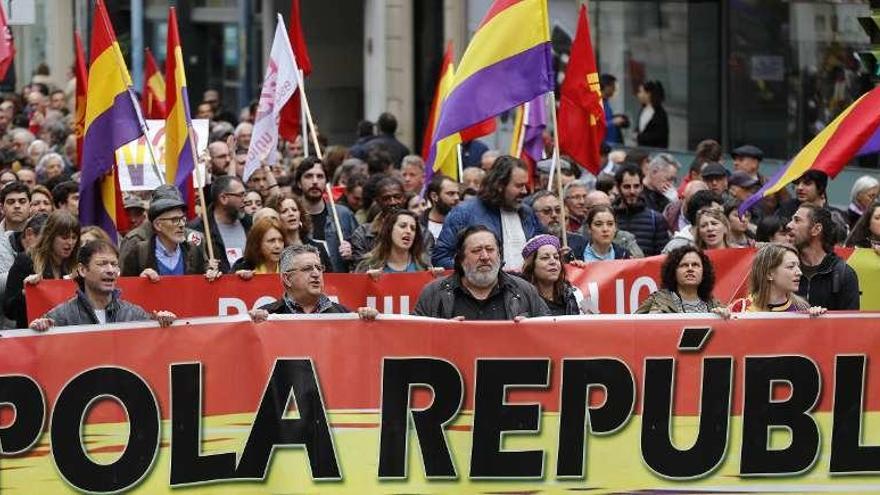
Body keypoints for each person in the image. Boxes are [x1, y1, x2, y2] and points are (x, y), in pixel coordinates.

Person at [29, 240, 177, 330]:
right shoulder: (60, 317)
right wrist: (40, 329)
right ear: (82, 270)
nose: (111, 270)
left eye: (114, 264)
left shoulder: (134, 314)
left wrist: (162, 323)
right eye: (102, 264)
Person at [415, 226, 550, 320]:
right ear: (461, 259)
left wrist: (529, 331)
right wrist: (442, 333)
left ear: (499, 255)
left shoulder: (525, 291)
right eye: (476, 250)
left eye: (490, 249)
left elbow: (550, 333)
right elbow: (414, 339)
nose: (485, 256)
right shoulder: (433, 294)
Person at [433, 156, 541, 270]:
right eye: (519, 186)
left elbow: (540, 248)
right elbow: (441, 258)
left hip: (525, 286)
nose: (524, 191)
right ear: (500, 185)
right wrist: (477, 269)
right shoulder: (464, 213)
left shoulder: (527, 213)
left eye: (525, 185)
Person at [248, 244, 378, 320]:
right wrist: (253, 324)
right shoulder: (266, 316)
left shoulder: (344, 315)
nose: (316, 274)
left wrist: (369, 320)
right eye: (307, 269)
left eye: (319, 268)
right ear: (287, 279)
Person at [4, 210, 80, 328]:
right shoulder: (26, 261)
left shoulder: (77, 266)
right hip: (33, 337)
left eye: (74, 237)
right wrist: (26, 293)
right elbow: (9, 311)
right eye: (64, 237)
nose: (70, 242)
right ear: (50, 236)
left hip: (67, 337)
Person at [121, 194, 221, 281]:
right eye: (174, 220)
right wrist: (140, 281)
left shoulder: (194, 250)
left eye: (183, 219)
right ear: (158, 225)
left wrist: (211, 274)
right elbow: (124, 289)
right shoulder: (139, 252)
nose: (181, 224)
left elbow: (203, 283)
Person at [787, 205, 859, 310]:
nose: (789, 225)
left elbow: (850, 323)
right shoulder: (782, 270)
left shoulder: (842, 274)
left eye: (797, 220)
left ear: (816, 229)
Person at [294, 157, 357, 272]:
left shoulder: (343, 215)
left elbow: (362, 254)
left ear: (326, 182)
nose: (315, 181)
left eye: (320, 176)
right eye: (308, 176)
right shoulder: (291, 216)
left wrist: (351, 253)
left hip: (338, 285)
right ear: (299, 183)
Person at [729, 243, 825, 315]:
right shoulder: (739, 308)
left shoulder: (802, 309)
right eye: (791, 267)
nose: (799, 272)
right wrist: (719, 317)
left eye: (798, 266)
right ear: (769, 274)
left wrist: (816, 321)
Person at [635, 245, 727, 315]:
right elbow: (632, 328)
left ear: (703, 273)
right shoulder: (657, 300)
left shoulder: (715, 305)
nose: (690, 269)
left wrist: (723, 319)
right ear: (673, 272)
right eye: (684, 265)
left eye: (695, 265)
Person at [188, 175, 251, 273]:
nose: (245, 200)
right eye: (241, 195)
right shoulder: (199, 229)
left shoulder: (250, 224)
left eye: (245, 194)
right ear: (223, 198)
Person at [519, 234, 589, 316]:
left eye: (556, 257)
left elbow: (595, 318)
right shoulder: (520, 299)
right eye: (545, 258)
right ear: (532, 265)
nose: (553, 262)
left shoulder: (574, 292)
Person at [356, 209, 437, 277]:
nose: (409, 231)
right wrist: (366, 281)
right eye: (402, 226)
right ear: (389, 230)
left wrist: (437, 281)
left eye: (413, 228)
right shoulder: (368, 265)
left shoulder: (424, 265)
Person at [612, 163, 669, 256]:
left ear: (642, 187)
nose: (632, 191)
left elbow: (662, 258)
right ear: (618, 188)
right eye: (627, 186)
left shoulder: (655, 219)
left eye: (636, 186)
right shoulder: (609, 217)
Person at [269, 195, 333, 270]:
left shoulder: (318, 247)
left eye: (294, 210)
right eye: (284, 211)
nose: (291, 213)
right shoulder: (275, 249)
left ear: (300, 214)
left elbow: (330, 277)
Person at [351, 176, 406, 263]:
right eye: (386, 199)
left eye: (397, 197)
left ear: (404, 198)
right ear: (377, 201)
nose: (393, 202)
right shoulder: (362, 234)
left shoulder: (420, 231)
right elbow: (359, 268)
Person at [635, 80, 668, 148]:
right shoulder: (643, 110)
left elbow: (659, 135)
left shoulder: (660, 114)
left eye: (641, 92)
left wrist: (639, 137)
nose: (638, 95)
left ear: (648, 94)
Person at [600, 74, 628, 145]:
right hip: (603, 146)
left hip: (612, 144)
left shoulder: (606, 102)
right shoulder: (596, 103)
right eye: (613, 86)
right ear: (606, 86)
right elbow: (595, 127)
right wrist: (613, 122)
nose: (615, 89)